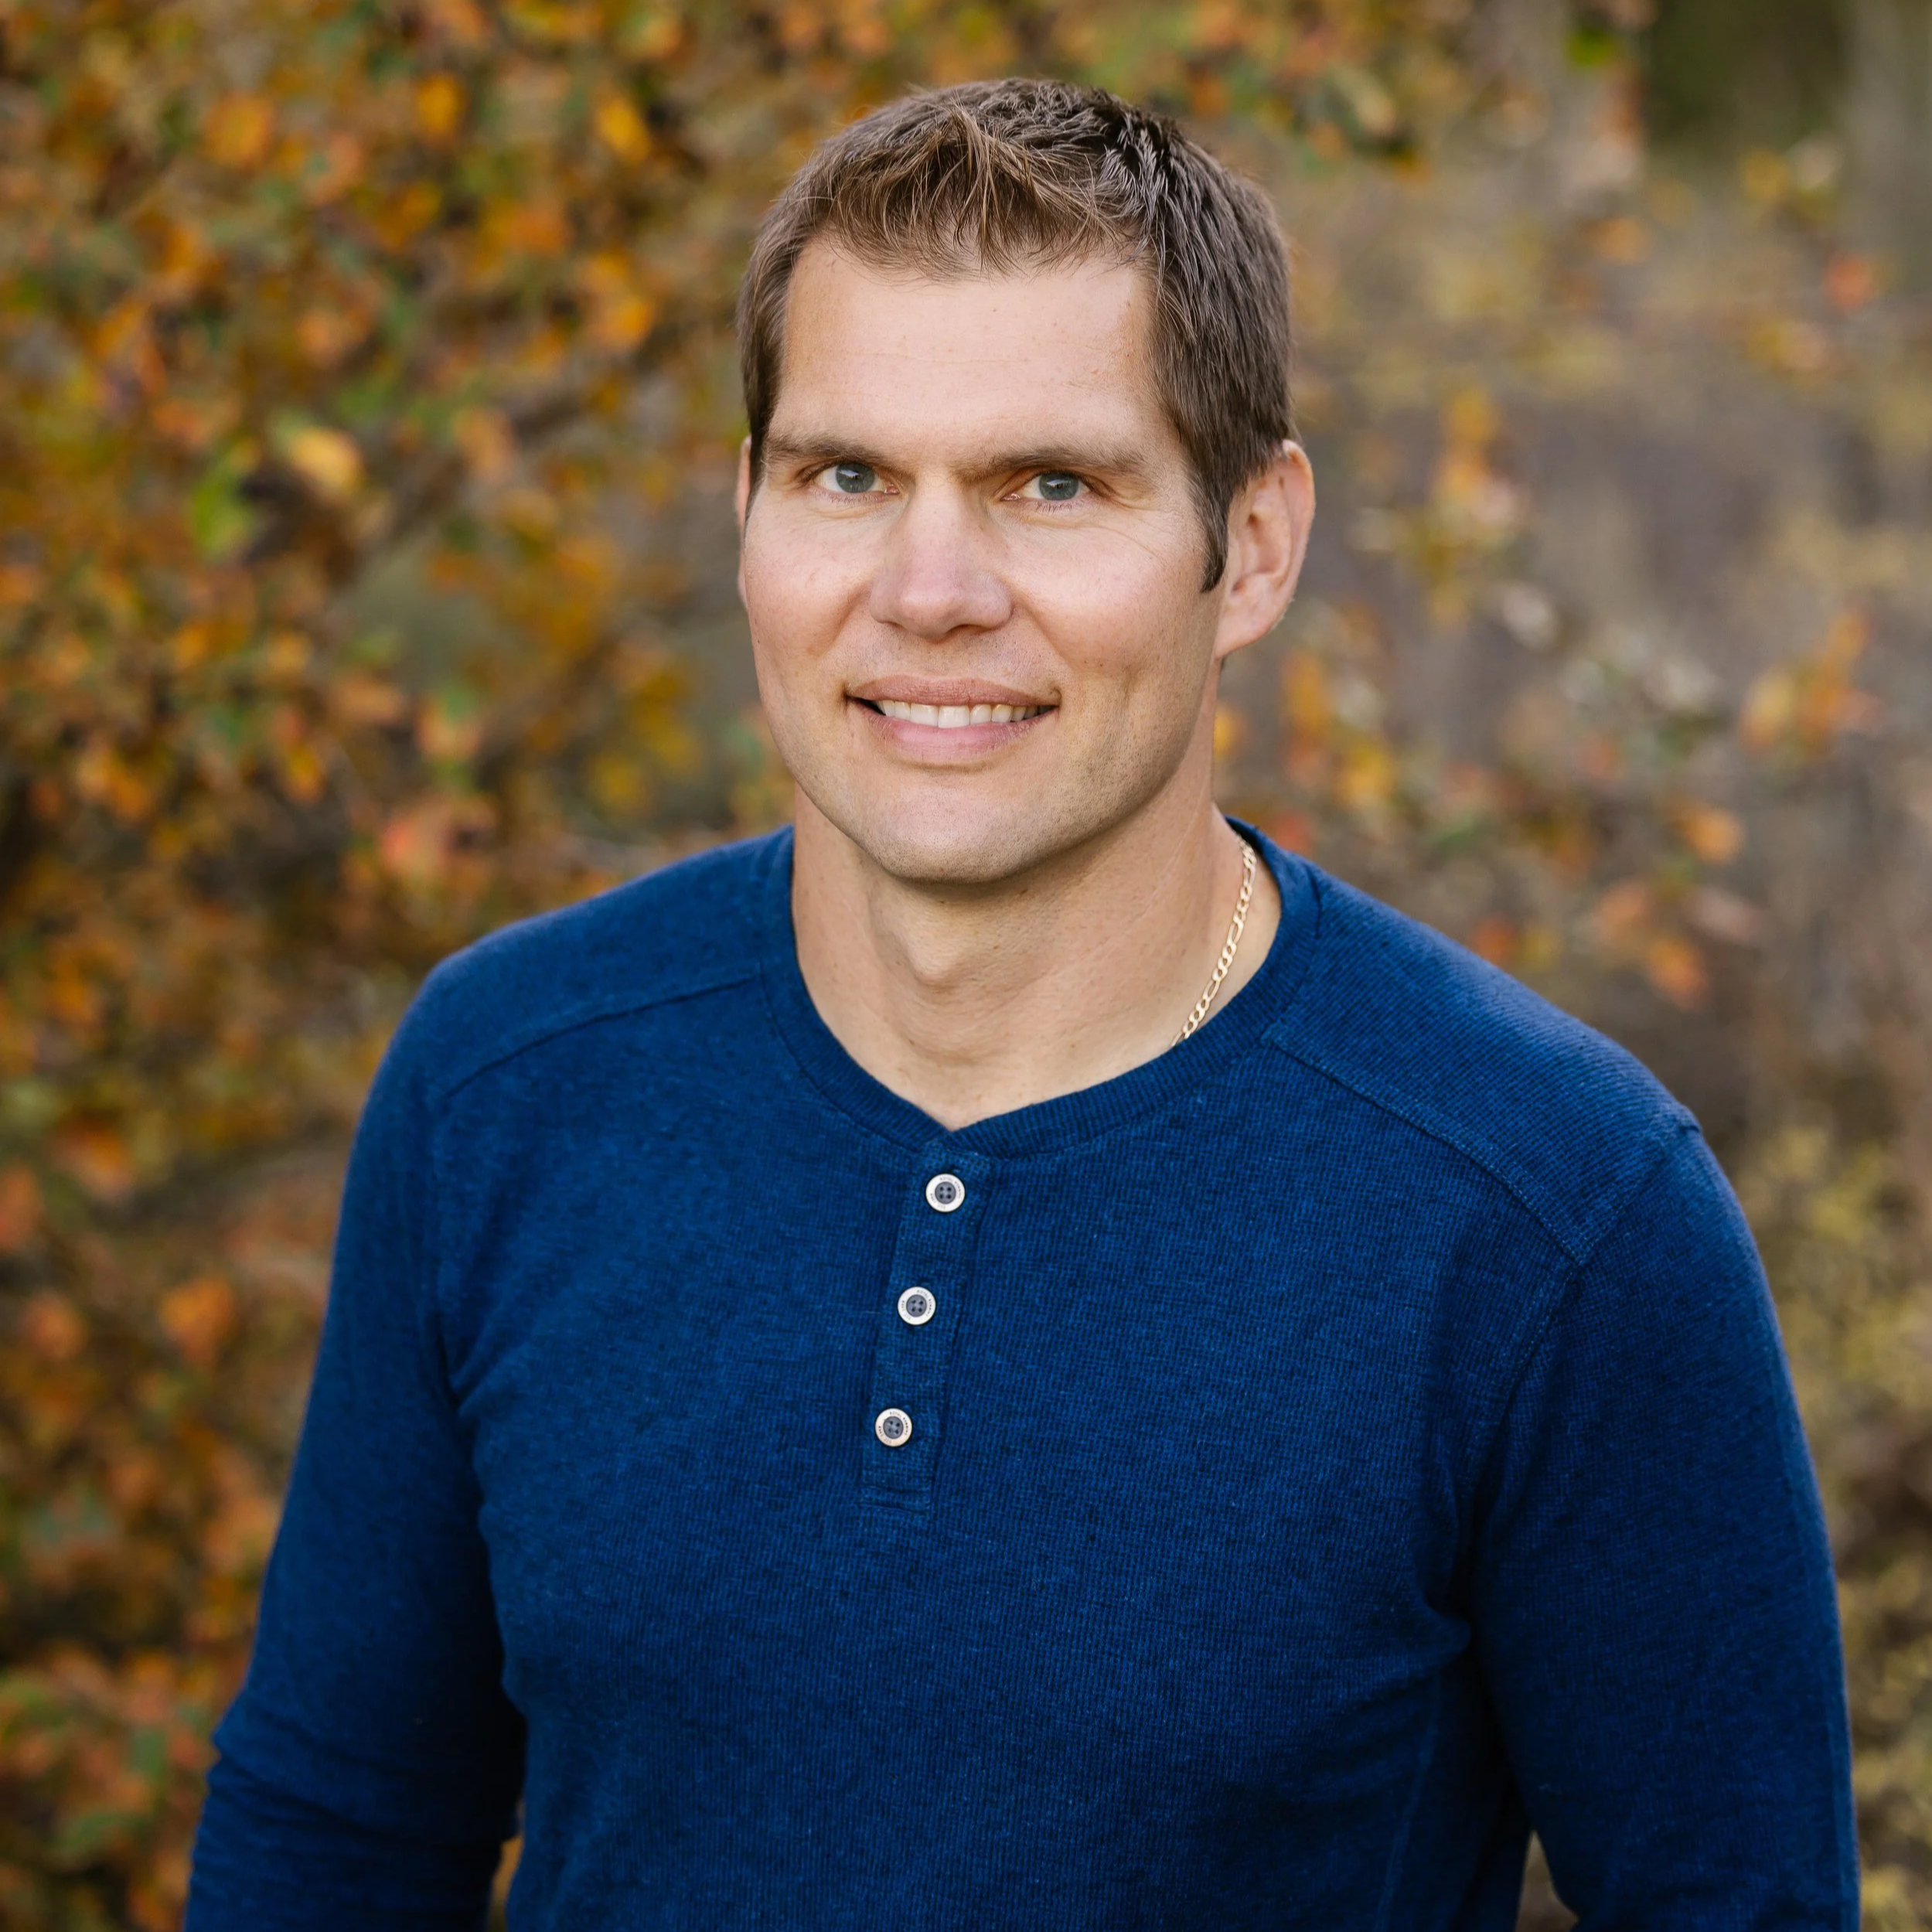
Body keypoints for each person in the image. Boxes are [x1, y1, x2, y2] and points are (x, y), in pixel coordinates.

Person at [186, 78, 1856, 1931]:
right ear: (745, 510)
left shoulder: (1557, 1210)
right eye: (845, 477)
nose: (928, 592)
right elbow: (331, 1840)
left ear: (1257, 543)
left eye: (1049, 485)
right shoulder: (504, 1081)